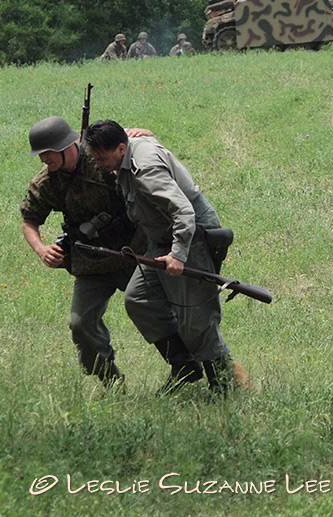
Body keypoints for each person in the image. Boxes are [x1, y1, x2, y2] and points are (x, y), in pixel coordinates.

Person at [21, 116, 203, 392]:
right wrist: (41, 249)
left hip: (133, 252)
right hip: (91, 262)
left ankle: (186, 364)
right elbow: (29, 220)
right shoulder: (47, 182)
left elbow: (130, 151)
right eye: (40, 155)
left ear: (68, 145)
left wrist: (147, 134)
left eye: (47, 153)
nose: (44, 160)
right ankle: (111, 383)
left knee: (154, 307)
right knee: (80, 324)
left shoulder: (101, 160)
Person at [82, 120, 250, 396]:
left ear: (121, 148)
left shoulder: (146, 171)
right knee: (139, 299)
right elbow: (110, 135)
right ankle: (185, 364)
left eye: (101, 158)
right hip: (160, 237)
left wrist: (178, 255)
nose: (98, 164)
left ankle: (224, 385)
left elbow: (184, 212)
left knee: (195, 317)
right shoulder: (124, 145)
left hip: (190, 234)